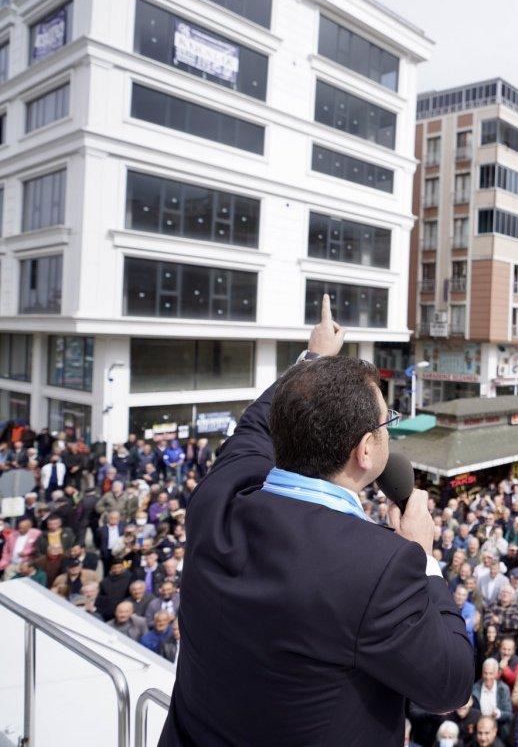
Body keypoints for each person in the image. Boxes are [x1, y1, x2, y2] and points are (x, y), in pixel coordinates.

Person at [160, 295, 474, 745]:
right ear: (366, 450)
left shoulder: (218, 498)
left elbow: (253, 430)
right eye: (388, 423)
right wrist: (423, 556)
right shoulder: (380, 568)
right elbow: (451, 682)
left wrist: (314, 361)